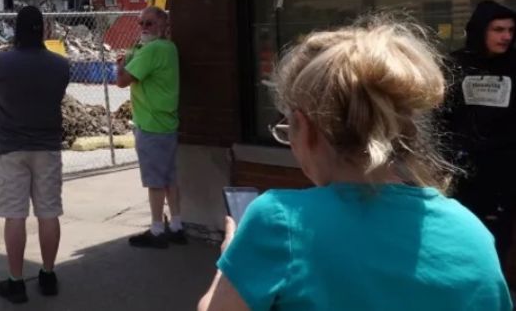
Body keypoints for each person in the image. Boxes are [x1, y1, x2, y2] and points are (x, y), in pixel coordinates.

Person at [198, 18, 512, 311]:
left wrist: (230, 260)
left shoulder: (278, 223)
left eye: (287, 129)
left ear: (304, 128)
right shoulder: (472, 233)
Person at [0, 6, 71, 303]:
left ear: (15, 30)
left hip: (10, 147)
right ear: (43, 30)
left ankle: (16, 281)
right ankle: (47, 275)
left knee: (15, 215)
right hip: (47, 146)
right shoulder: (60, 65)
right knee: (49, 212)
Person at [444, 0, 516, 280]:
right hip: (462, 171)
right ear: (480, 30)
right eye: (498, 29)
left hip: (504, 172)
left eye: (511, 30)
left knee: (497, 240)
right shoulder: (456, 64)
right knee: (461, 235)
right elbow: (441, 114)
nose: (506, 36)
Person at [116, 6, 183, 248]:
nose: (144, 28)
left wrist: (123, 63)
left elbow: (122, 80)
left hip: (151, 123)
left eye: (150, 23)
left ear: (163, 26)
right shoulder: (169, 48)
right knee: (170, 178)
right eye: (141, 23)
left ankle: (157, 229)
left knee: (155, 180)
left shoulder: (152, 50)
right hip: (167, 122)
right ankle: (176, 224)